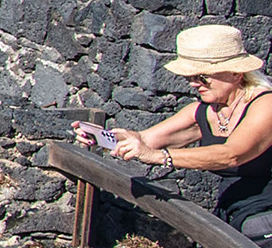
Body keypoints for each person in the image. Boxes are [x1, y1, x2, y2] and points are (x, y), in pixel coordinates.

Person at [111, 24, 272, 233]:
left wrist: (160, 157)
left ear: (235, 73)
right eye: (190, 77)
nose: (194, 84)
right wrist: (105, 137)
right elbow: (144, 140)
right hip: (236, 213)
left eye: (202, 77)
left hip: (263, 216)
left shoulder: (265, 105)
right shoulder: (204, 111)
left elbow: (231, 155)